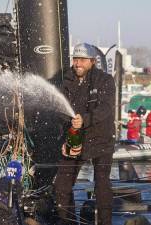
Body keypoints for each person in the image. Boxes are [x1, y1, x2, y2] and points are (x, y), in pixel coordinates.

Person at [54, 43, 115, 225]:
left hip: (101, 139)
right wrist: (65, 139)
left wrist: (85, 120)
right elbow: (60, 110)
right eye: (75, 59)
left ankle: (105, 223)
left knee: (102, 185)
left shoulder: (105, 80)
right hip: (76, 139)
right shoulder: (67, 80)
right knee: (61, 185)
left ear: (92, 61)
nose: (77, 63)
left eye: (81, 59)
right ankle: (68, 221)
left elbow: (106, 108)